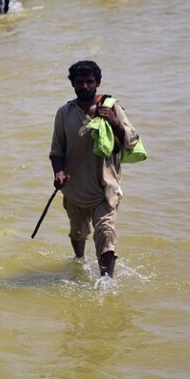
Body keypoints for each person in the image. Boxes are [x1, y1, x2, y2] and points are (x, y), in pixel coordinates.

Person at [50, 60, 141, 278]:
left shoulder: (112, 109)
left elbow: (132, 140)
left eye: (89, 81)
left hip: (105, 189)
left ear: (97, 82)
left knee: (106, 234)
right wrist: (59, 172)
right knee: (78, 234)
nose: (85, 86)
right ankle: (79, 263)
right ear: (72, 84)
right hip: (74, 190)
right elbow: (56, 151)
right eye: (79, 82)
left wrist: (115, 123)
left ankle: (106, 284)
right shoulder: (64, 113)